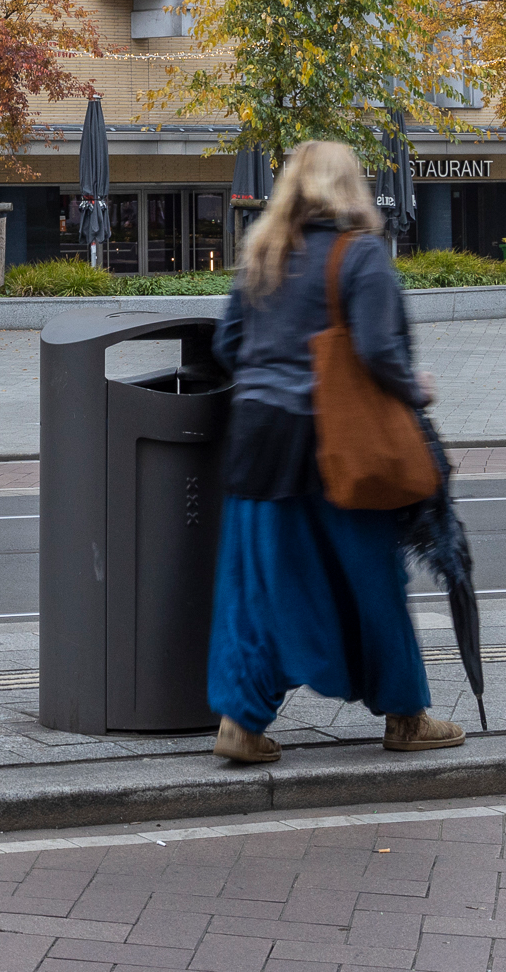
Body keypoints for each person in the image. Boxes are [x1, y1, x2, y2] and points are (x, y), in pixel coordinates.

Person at [206, 140, 465, 763]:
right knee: (371, 578)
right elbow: (378, 351)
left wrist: (273, 371)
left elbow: (228, 343)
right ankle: (405, 716)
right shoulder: (361, 253)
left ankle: (241, 723)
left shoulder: (263, 252)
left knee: (259, 585)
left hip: (258, 438)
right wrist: (416, 387)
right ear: (350, 186)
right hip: (337, 443)